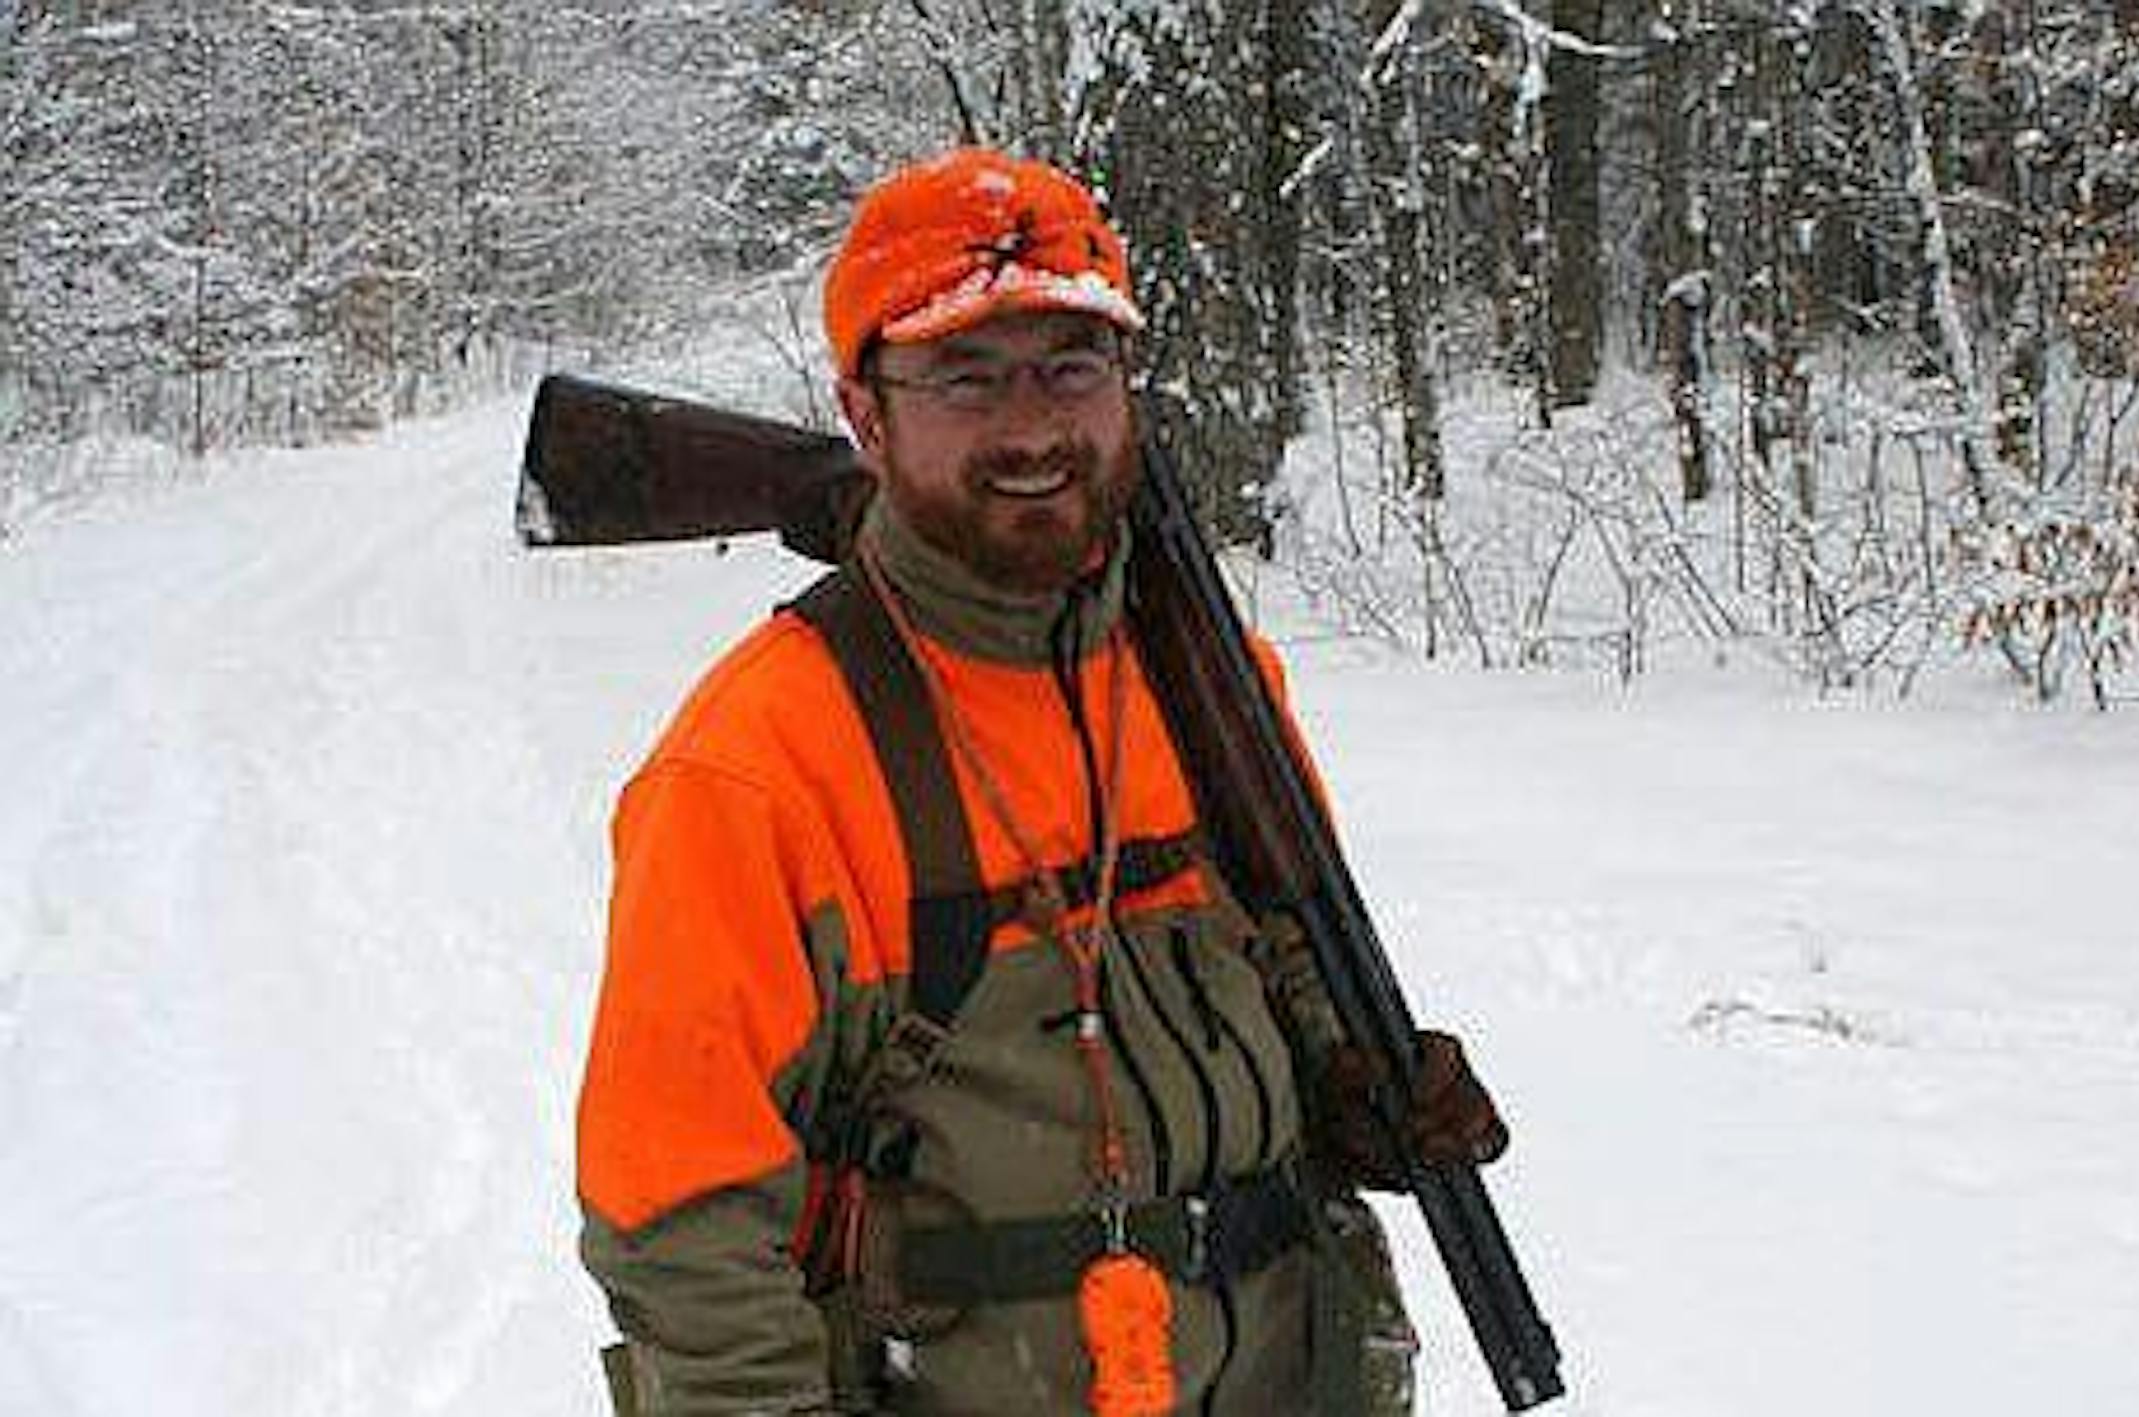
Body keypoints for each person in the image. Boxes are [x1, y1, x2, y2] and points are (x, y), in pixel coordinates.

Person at [576, 147, 1511, 1417]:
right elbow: (682, 1229)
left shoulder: (1210, 681)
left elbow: (1289, 961)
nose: (1031, 430)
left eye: (1072, 367)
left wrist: (1353, 1087)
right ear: (866, 417)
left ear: (1128, 387)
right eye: (965, 376)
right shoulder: (755, 765)